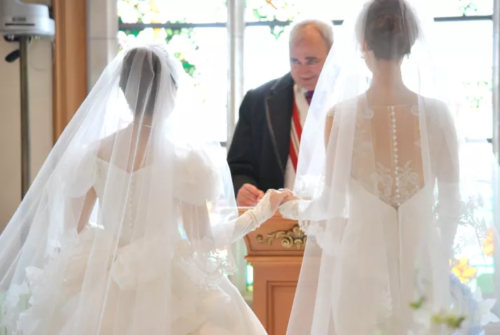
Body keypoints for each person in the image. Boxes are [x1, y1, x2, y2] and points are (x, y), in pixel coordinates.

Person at [0, 43, 291, 335]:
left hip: (105, 278)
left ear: (125, 91)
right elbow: (203, 240)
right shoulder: (186, 161)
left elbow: (72, 230)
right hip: (169, 279)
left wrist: (111, 247)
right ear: (171, 92)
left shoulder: (93, 154)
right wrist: (261, 211)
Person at [279, 0, 500, 334]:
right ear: (410, 43)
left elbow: (331, 205)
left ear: (363, 44)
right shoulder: (439, 116)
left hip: (360, 268)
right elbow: (451, 206)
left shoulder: (340, 118)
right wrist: (437, 260)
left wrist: (289, 205)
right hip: (423, 269)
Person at [227, 18, 334, 207]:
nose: (302, 70)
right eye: (295, 61)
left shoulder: (353, 100)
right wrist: (244, 188)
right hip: (277, 219)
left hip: (333, 217)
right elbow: (239, 167)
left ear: (331, 55)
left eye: (311, 61)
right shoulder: (258, 101)